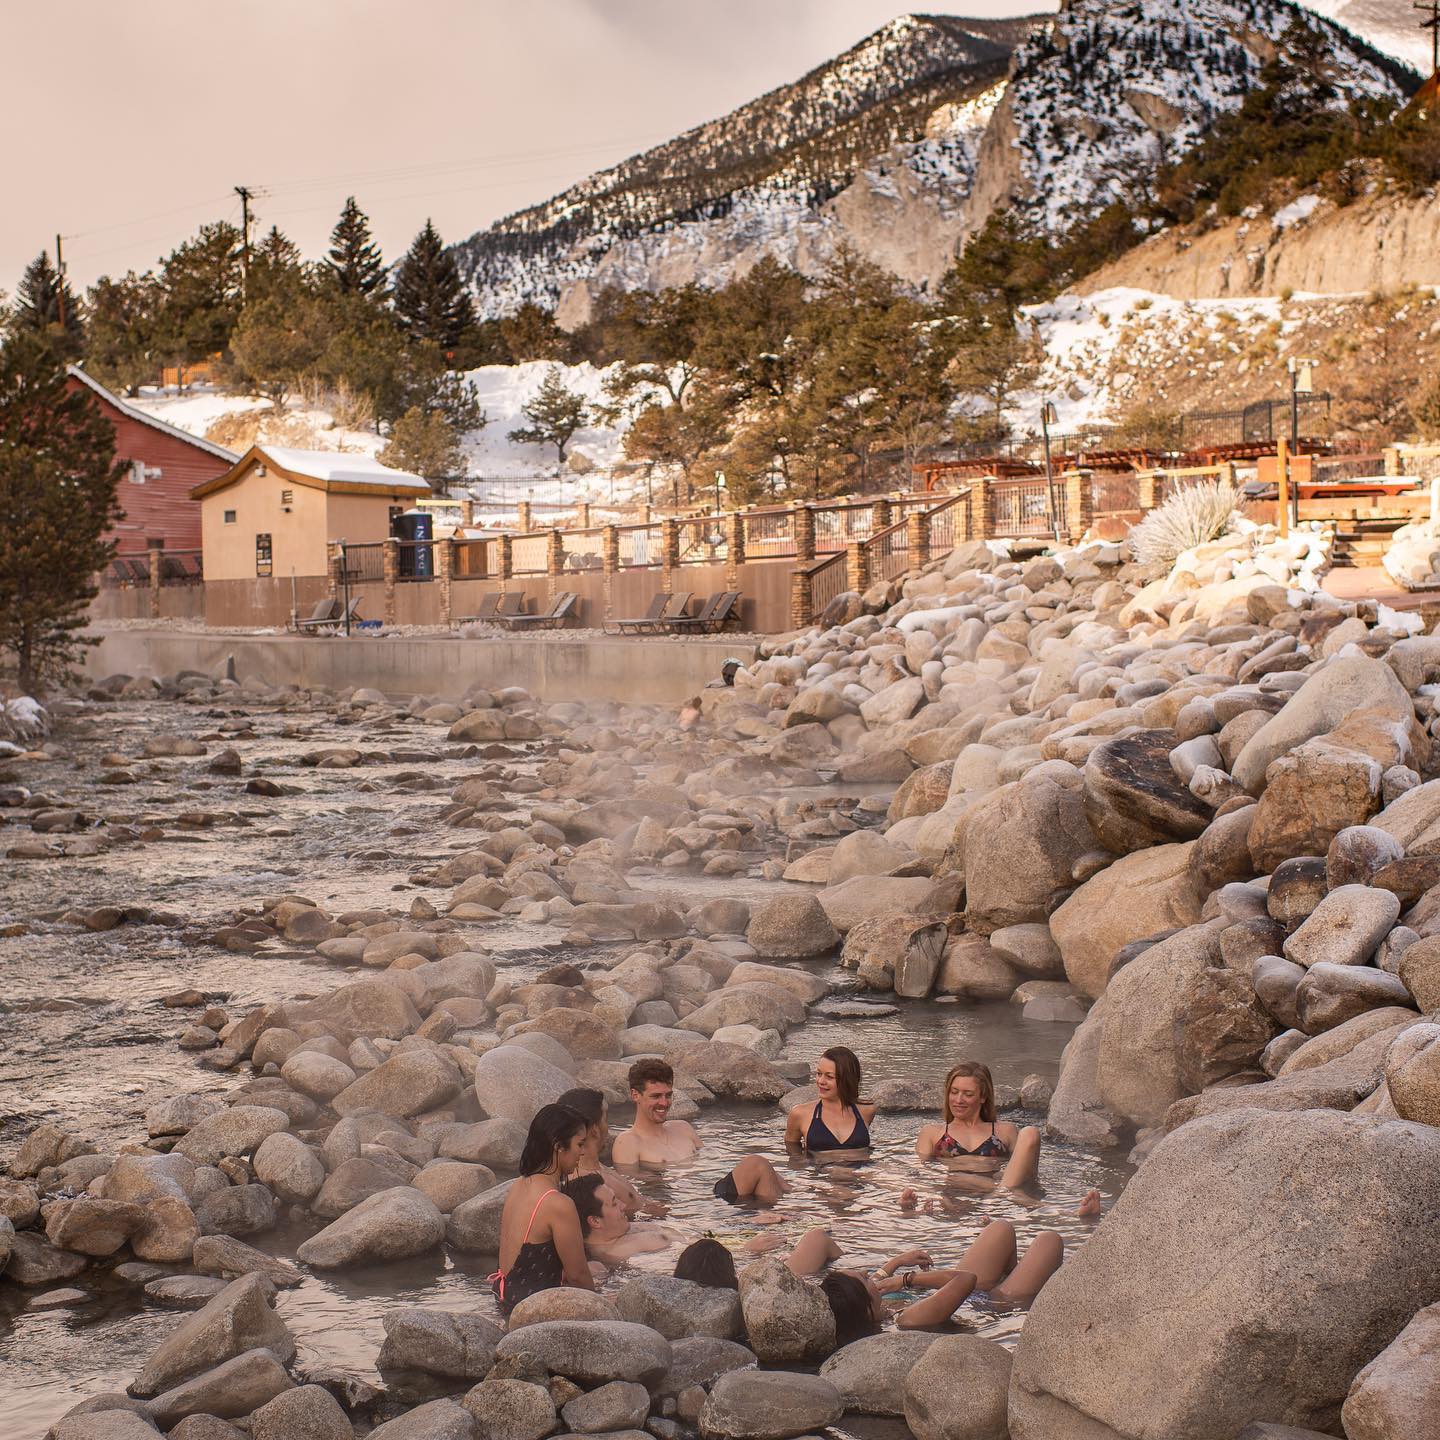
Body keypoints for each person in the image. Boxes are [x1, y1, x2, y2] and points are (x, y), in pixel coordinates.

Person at [490, 1104, 595, 1315]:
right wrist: (601, 1311)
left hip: (506, 1299)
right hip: (535, 1312)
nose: (583, 1152)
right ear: (559, 1146)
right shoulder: (557, 1203)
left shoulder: (519, 1185)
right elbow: (578, 1276)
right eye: (580, 1144)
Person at [915, 1061, 1041, 1190]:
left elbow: (1026, 1174)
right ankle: (1003, 1192)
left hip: (995, 1198)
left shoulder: (1006, 1131)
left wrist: (976, 1179)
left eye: (968, 1094)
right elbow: (922, 1174)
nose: (958, 1100)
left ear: (983, 1097)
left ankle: (1001, 1192)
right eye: (954, 1092)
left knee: (1030, 1132)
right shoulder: (932, 1132)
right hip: (954, 1192)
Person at [556, 1085, 665, 1218]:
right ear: (595, 1130)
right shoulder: (586, 1185)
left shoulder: (597, 1168)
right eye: (606, 1119)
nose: (608, 1128)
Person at [784, 1047, 875, 1154]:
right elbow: (792, 1152)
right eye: (819, 1073)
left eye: (829, 1077)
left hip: (861, 1170)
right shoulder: (800, 1114)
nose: (820, 1081)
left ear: (847, 1079)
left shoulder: (867, 1111)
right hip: (821, 1169)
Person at [611, 1059, 701, 1167]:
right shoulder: (628, 1143)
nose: (664, 1103)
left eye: (668, 1095)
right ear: (635, 1095)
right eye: (655, 1096)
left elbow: (708, 1164)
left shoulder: (683, 1128)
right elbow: (628, 1182)